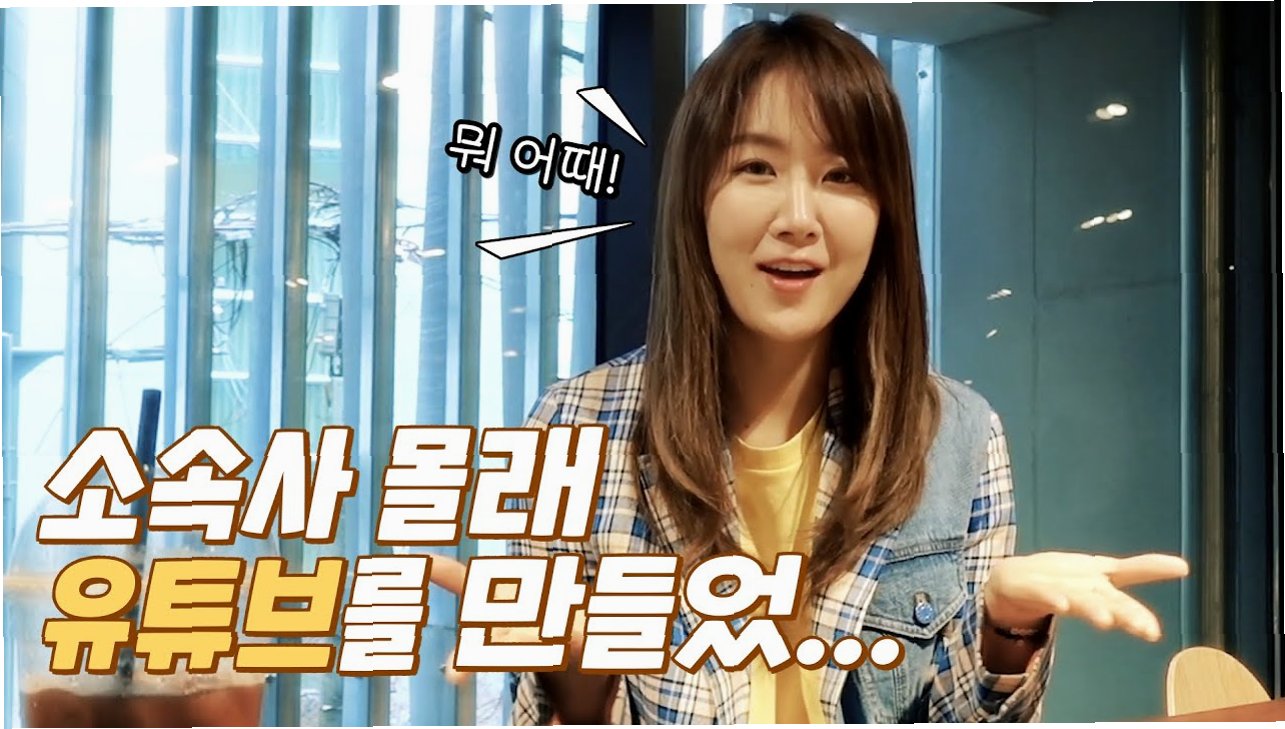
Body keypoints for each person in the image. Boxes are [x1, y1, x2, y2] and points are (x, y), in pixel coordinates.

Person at [430, 12, 1189, 724]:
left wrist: (1006, 628)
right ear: (696, 197)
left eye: (842, 175)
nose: (798, 218)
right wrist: (575, 666)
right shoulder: (572, 426)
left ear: (885, 213)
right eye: (756, 166)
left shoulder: (955, 435)